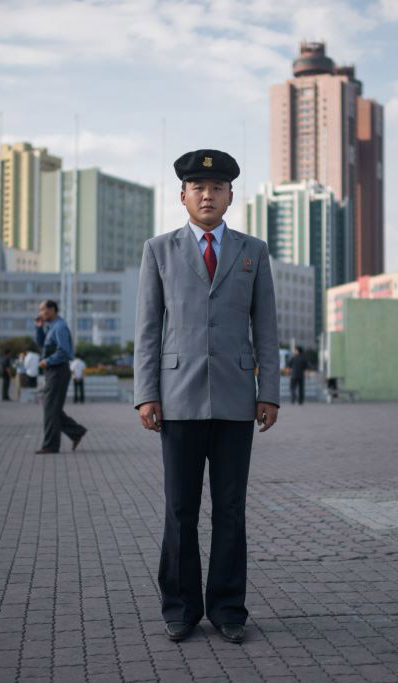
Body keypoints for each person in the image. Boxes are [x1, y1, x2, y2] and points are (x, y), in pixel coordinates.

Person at [135, 149, 279, 645]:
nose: (207, 194)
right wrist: (145, 395)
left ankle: (227, 608)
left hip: (239, 399)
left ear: (231, 196)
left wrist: (271, 393)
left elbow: (267, 329)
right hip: (176, 398)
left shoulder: (252, 251)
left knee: (231, 509)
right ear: (182, 196)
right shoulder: (159, 250)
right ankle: (180, 607)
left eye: (217, 188)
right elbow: (147, 329)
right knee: (180, 509)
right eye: (198, 187)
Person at [35, 300, 88, 453]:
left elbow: (64, 351)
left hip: (58, 371)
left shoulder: (60, 327)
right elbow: (41, 345)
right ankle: (76, 431)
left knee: (51, 408)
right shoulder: (51, 327)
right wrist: (38, 328)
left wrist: (47, 361)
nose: (40, 313)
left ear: (52, 310)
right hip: (53, 371)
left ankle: (51, 445)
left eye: (43, 309)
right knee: (53, 408)